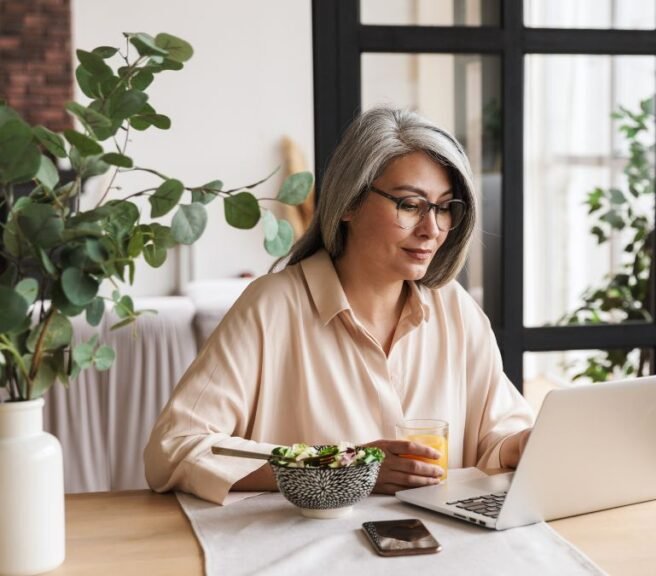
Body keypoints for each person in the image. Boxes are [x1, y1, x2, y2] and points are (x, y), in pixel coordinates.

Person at [143, 106, 534, 504]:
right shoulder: (272, 306)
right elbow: (175, 448)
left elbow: (496, 435)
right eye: (410, 205)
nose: (432, 229)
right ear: (349, 202)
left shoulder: (455, 309)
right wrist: (342, 469)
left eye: (444, 207)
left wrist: (519, 445)